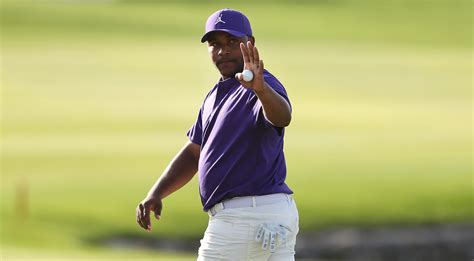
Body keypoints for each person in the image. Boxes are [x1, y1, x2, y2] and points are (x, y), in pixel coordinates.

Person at [136, 8, 299, 260]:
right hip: (269, 215)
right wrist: (157, 193)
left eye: (232, 42)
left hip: (242, 220)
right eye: (215, 44)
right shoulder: (215, 95)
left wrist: (261, 90)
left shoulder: (260, 84)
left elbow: (282, 117)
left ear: (250, 43)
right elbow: (194, 152)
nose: (223, 50)